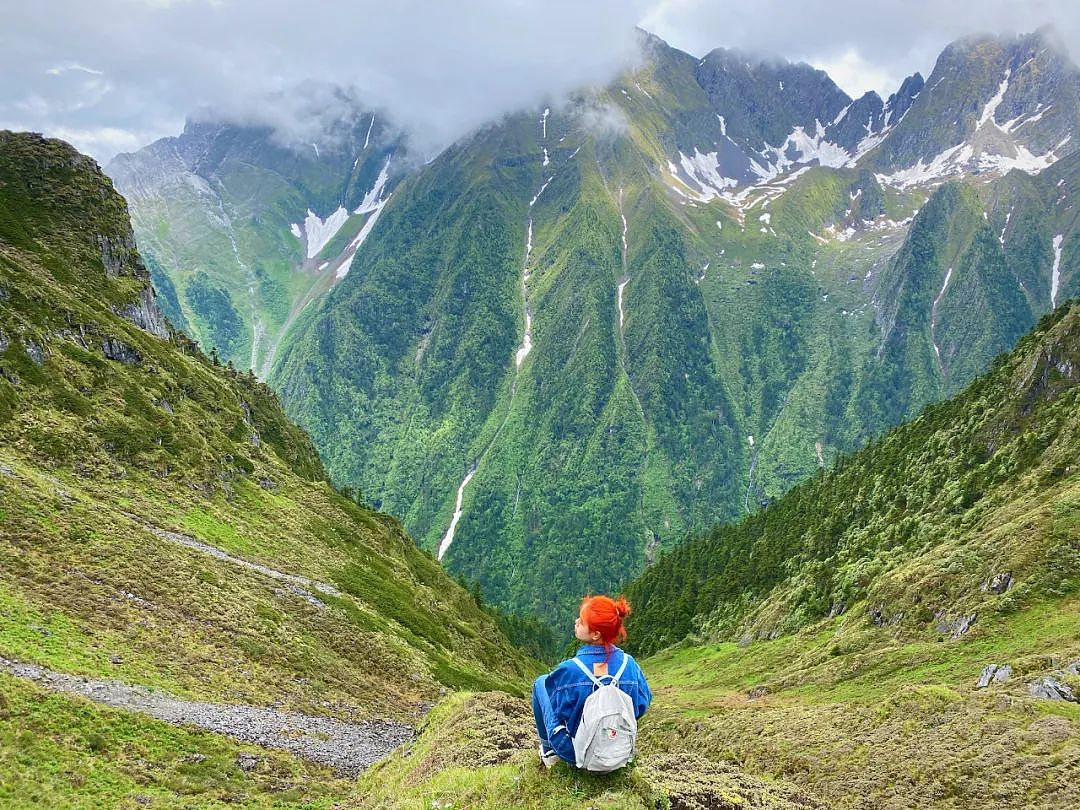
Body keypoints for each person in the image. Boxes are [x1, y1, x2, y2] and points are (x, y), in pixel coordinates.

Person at [531, 594, 652, 769]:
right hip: (619, 750)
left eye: (581, 621)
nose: (576, 621)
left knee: (541, 682)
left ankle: (549, 751)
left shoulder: (570, 669)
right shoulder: (630, 665)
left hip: (574, 753)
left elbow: (557, 711)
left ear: (596, 634)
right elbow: (641, 706)